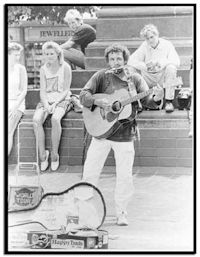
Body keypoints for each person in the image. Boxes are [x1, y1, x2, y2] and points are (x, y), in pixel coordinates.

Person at [79, 43, 164, 226]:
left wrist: (156, 97)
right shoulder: (101, 76)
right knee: (90, 172)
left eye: (119, 58)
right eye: (112, 59)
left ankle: (121, 212)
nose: (116, 62)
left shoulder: (134, 78)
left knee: (124, 176)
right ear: (108, 61)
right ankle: (85, 211)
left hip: (125, 134)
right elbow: (84, 95)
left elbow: (147, 101)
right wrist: (98, 100)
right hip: (100, 134)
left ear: (125, 60)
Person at [33, 41, 72, 171]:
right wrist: (46, 104)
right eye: (46, 54)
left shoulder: (65, 67)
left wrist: (55, 104)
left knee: (55, 119)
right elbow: (42, 91)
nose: (49, 56)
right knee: (36, 120)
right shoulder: (43, 69)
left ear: (57, 54)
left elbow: (66, 90)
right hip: (47, 100)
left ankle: (54, 155)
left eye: (51, 53)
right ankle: (43, 155)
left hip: (61, 99)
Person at [128, 24, 180, 113]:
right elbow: (131, 61)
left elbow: (176, 61)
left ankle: (169, 102)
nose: (150, 40)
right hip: (148, 78)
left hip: (163, 79)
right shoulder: (144, 46)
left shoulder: (167, 44)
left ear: (157, 35)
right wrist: (145, 66)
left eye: (152, 37)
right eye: (147, 39)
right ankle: (136, 102)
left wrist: (161, 63)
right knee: (130, 69)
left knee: (171, 68)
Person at [8, 42, 27, 155]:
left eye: (18, 54)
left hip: (17, 103)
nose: (18, 57)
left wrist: (15, 106)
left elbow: (24, 90)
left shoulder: (21, 69)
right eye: (15, 55)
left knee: (8, 131)